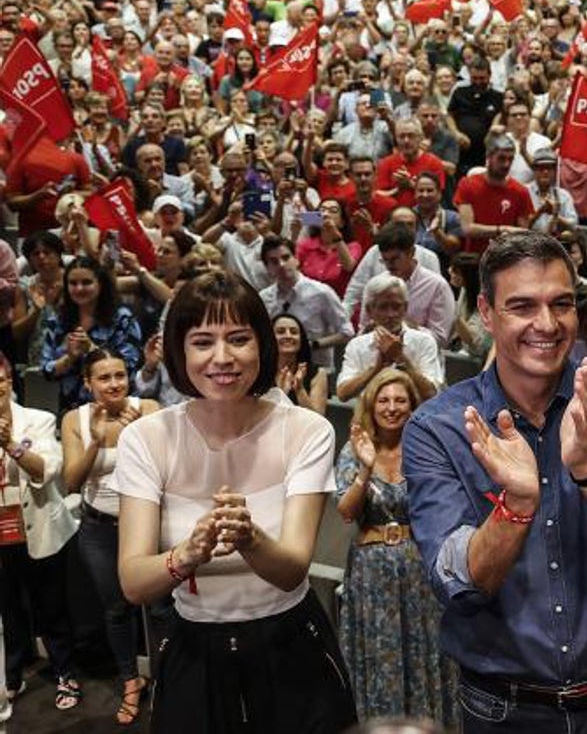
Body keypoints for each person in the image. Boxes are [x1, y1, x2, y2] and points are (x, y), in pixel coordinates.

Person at [403, 232, 587, 733]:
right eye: (522, 306)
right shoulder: (439, 428)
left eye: (562, 304)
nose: (547, 324)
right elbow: (461, 583)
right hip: (504, 711)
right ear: (487, 315)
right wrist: (516, 504)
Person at [114, 269, 358, 733]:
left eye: (239, 339)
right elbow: (133, 582)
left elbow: (291, 570)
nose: (222, 358)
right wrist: (187, 554)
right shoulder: (146, 439)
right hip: (192, 647)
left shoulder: (306, 431)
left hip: (291, 644)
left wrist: (248, 537)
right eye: (202, 341)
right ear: (178, 351)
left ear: (262, 346)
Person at [335, 368, 457, 724]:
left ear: (412, 406)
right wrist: (365, 468)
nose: (391, 407)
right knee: (377, 656)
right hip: (370, 573)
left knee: (426, 650)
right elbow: (345, 511)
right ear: (371, 406)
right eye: (384, 400)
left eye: (400, 400)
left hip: (420, 565)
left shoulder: (427, 448)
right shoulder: (354, 448)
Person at [62, 347, 159, 725]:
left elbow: (167, 469)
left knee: (162, 608)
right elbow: (71, 481)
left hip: (150, 525)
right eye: (104, 377)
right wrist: (96, 441)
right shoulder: (76, 418)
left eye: (119, 375)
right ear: (88, 383)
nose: (114, 384)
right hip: (99, 527)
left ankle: (168, 679)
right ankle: (131, 683)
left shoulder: (148, 409)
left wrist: (136, 435)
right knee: (116, 610)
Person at [0, 352, 80, 712]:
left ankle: (66, 673)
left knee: (53, 608)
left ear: (8, 382)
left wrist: (9, 446)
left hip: (40, 527)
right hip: (2, 533)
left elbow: (47, 470)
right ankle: (12, 676)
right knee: (9, 609)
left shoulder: (39, 420)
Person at [40, 257, 143, 413]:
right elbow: (47, 370)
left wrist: (91, 349)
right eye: (73, 283)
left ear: (100, 284)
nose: (79, 288)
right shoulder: (57, 320)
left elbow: (130, 365)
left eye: (86, 282)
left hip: (116, 408)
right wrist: (70, 358)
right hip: (72, 409)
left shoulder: (122, 318)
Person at [337, 274, 443, 401]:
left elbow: (432, 394)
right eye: (383, 307)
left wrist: (401, 359)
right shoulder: (357, 345)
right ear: (369, 310)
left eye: (396, 306)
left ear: (406, 308)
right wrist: (376, 368)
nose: (391, 314)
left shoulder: (424, 341)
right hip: (367, 417)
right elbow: (342, 394)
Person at [258, 234, 354, 371]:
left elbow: (347, 332)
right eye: (274, 261)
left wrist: (313, 345)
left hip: (319, 369)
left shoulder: (321, 292)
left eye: (286, 258)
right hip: (278, 371)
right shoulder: (264, 297)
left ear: (296, 259)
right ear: (266, 267)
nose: (281, 264)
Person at [272, 313, 329, 416]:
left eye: (294, 332)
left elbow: (319, 421)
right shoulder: (258, 370)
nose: (288, 336)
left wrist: (299, 390)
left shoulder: (317, 373)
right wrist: (280, 395)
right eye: (281, 332)